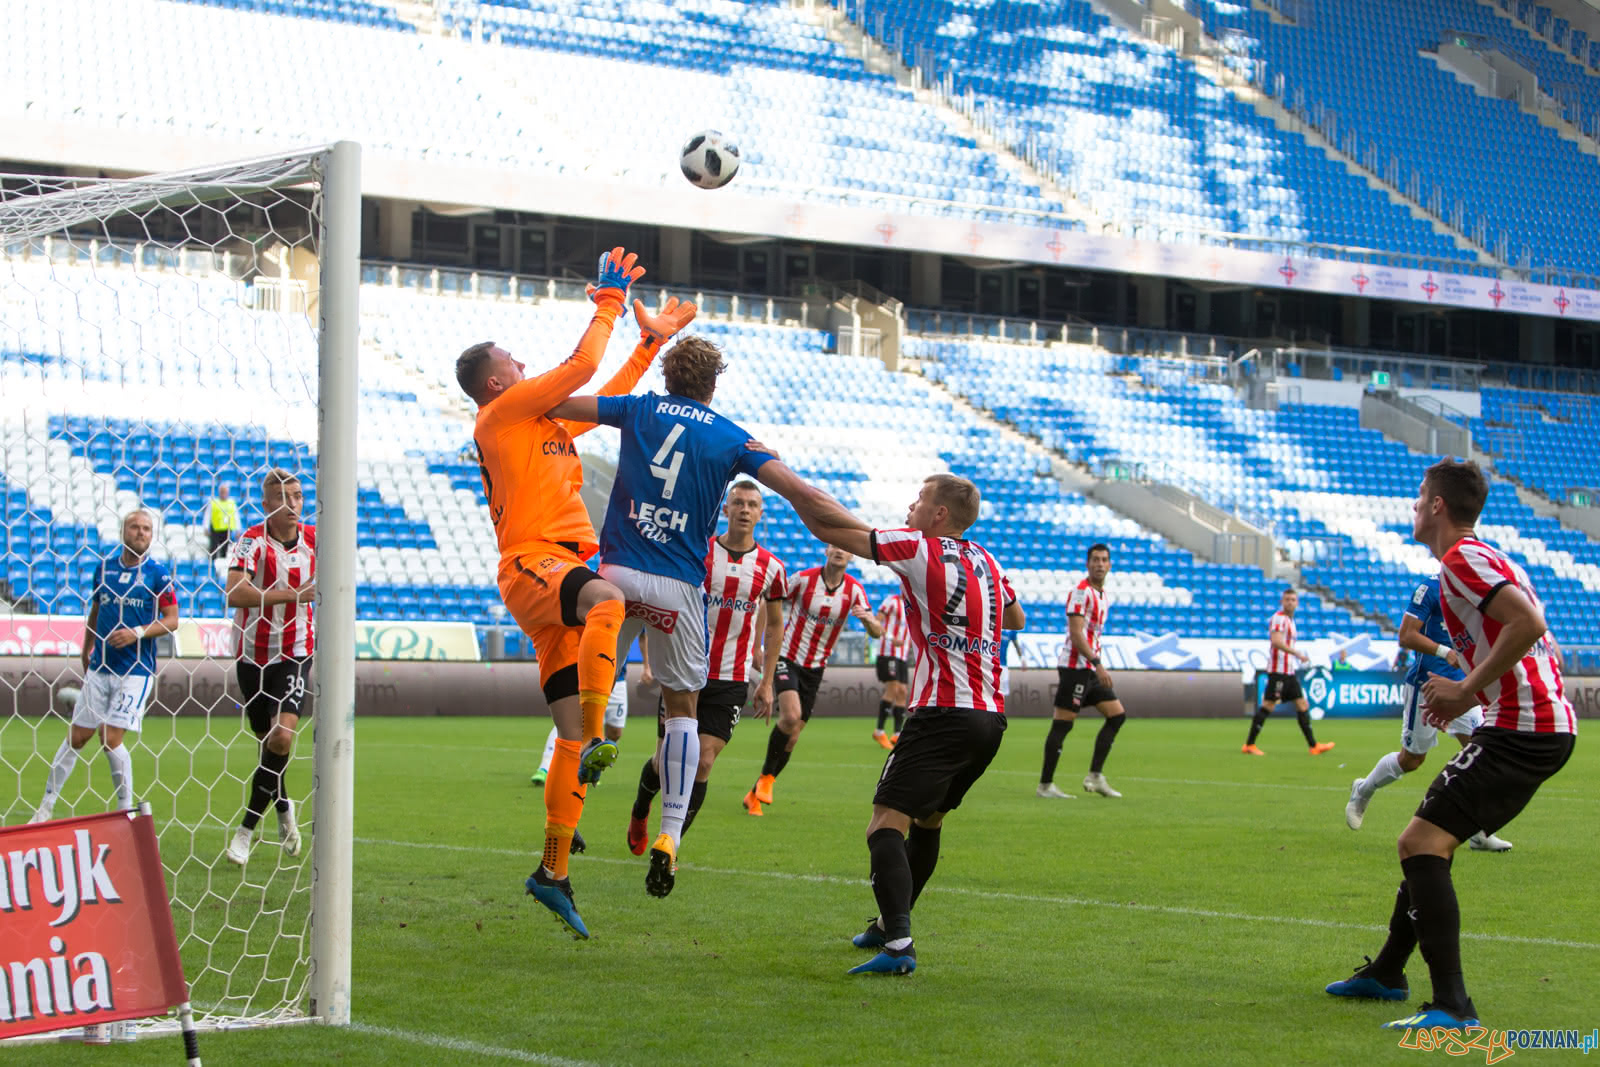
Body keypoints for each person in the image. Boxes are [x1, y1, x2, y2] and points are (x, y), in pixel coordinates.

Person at [455, 246, 689, 937]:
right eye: (518, 365)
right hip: (535, 562)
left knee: (565, 736)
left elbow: (607, 390)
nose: (529, 369)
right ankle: (593, 741)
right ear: (499, 381)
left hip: (556, 570)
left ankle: (552, 869)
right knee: (609, 603)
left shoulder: (548, 426)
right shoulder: (499, 418)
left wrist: (649, 342)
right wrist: (608, 304)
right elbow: (581, 367)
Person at [547, 335, 819, 897]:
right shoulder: (730, 435)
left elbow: (560, 404)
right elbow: (791, 486)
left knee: (579, 696)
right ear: (713, 385)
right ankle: (670, 835)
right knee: (682, 710)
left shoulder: (637, 407)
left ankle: (569, 810)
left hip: (616, 577)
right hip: (677, 587)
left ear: (668, 377)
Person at [1325, 459, 1575, 1031]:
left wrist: (1467, 689)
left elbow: (1530, 626)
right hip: (1532, 724)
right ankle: (1387, 972)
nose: (1413, 505)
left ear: (1438, 505)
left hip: (1521, 729)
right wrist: (1474, 675)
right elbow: (1541, 639)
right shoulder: (1482, 560)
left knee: (1420, 844)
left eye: (1419, 496)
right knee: (1427, 843)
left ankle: (1453, 1007)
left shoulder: (1462, 559)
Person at [750, 471, 1024, 976]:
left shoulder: (920, 547)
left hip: (941, 712)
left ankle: (899, 943)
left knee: (884, 825)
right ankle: (886, 922)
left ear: (939, 515)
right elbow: (1017, 616)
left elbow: (833, 531)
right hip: (990, 717)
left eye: (919, 499)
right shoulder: (988, 559)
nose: (911, 506)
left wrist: (782, 483)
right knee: (930, 819)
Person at [625, 479, 787, 855]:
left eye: (752, 504)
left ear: (761, 514)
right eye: (739, 503)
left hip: (731, 678)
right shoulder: (698, 555)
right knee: (666, 760)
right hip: (684, 669)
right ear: (726, 510)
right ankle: (640, 808)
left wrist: (766, 681)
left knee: (702, 760)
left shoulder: (772, 568)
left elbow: (775, 624)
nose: (745, 510)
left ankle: (670, 847)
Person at [1343, 573, 1511, 852]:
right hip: (1427, 684)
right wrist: (1445, 652)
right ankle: (1363, 789)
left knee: (1481, 755)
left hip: (1462, 686)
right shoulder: (1430, 588)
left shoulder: (1479, 591)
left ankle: (1479, 832)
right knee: (1411, 761)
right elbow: (1406, 636)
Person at [32, 509, 178, 822]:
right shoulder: (105, 569)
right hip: (100, 667)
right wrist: (87, 646)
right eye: (135, 527)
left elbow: (173, 619)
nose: (141, 533)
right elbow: (96, 611)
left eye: (147, 529)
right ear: (123, 531)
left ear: (152, 536)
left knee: (110, 740)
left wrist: (136, 633)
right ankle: (45, 807)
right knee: (77, 738)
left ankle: (125, 812)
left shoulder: (158, 574)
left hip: (135, 672)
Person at [742, 544, 883, 816]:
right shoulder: (803, 579)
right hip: (787, 658)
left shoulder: (854, 590)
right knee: (791, 716)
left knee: (792, 737)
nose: (840, 551)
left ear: (852, 556)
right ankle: (767, 781)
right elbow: (766, 603)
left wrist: (868, 621)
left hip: (815, 668)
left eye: (845, 549)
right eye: (834, 546)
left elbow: (878, 632)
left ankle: (757, 789)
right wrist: (758, 645)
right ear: (827, 550)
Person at [223, 469, 318, 868]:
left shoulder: (316, 538)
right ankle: (282, 806)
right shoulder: (251, 541)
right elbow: (234, 592)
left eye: (297, 496)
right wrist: (294, 594)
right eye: (282, 497)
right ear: (266, 504)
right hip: (253, 655)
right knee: (268, 746)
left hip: (296, 650)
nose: (292, 504)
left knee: (281, 738)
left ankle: (245, 831)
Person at [1037, 542, 1125, 799]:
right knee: (1062, 724)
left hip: (1088, 669)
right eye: (1095, 559)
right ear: (1088, 563)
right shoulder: (1080, 592)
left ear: (1109, 565)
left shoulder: (1102, 594)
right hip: (1076, 668)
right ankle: (1045, 785)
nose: (1099, 564)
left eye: (1104, 560)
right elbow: (1076, 634)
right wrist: (1098, 663)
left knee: (1117, 715)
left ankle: (1095, 777)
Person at [1241, 588, 1335, 756]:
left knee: (1302, 704)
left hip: (1289, 672)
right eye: (1287, 599)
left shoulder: (1291, 621)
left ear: (1297, 603)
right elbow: (1276, 641)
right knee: (1268, 705)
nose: (1290, 602)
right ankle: (1249, 745)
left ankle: (1314, 746)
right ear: (1282, 602)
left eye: (1293, 599)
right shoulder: (1279, 619)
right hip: (1278, 672)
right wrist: (1296, 653)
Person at [871, 592, 912, 750]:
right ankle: (879, 731)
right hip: (888, 652)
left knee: (902, 691)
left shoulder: (913, 605)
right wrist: (890, 638)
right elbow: (876, 622)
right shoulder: (891, 601)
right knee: (893, 688)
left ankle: (896, 733)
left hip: (902, 655)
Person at [207, 484, 240, 561]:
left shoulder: (232, 503)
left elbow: (236, 516)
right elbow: (208, 515)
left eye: (225, 492)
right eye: (222, 492)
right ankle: (212, 565)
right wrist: (206, 527)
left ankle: (222, 565)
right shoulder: (214, 502)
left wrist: (238, 529)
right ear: (219, 492)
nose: (224, 494)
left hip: (227, 529)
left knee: (225, 550)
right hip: (215, 529)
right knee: (213, 549)